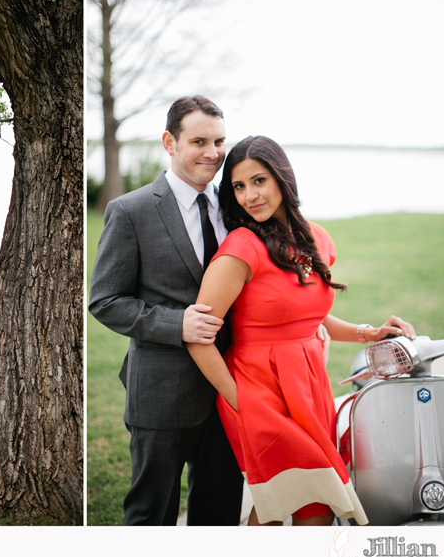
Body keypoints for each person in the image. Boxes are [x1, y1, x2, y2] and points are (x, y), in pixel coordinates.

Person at [187, 135, 415, 526]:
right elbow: (198, 336)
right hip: (259, 391)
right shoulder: (241, 248)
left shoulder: (317, 238)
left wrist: (369, 333)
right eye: (238, 186)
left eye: (258, 181)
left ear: (282, 178)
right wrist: (241, 400)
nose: (248, 196)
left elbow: (307, 317)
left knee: (304, 504)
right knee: (299, 501)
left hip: (309, 389)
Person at [89, 95, 244, 525]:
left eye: (219, 142)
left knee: (220, 512)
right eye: (199, 141)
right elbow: (104, 301)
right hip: (161, 395)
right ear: (169, 142)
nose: (213, 154)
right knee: (150, 514)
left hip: (230, 389)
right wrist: (179, 324)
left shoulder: (235, 211)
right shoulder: (131, 211)